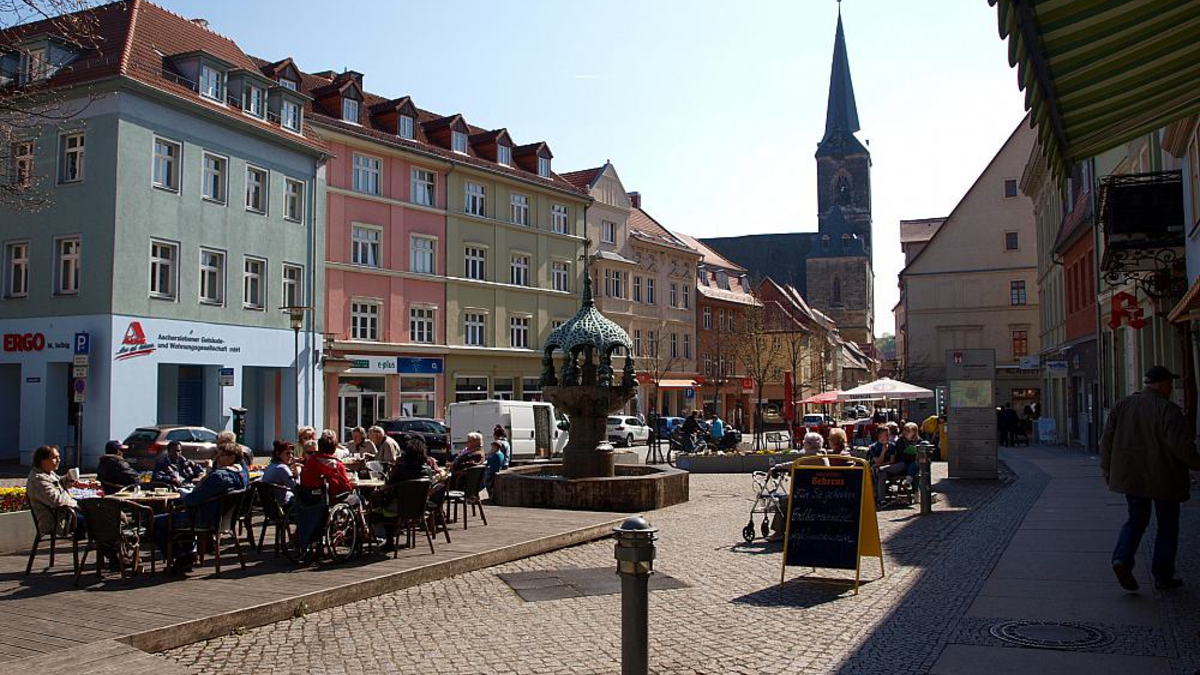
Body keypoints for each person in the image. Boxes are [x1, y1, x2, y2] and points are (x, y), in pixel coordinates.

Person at [1101, 365, 1200, 592]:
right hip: (1164, 477)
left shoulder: (1122, 405)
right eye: (1169, 384)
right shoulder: (1168, 409)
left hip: (1130, 476)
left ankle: (1121, 559)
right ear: (1161, 385)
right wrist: (1196, 462)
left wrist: (1106, 468)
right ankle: (1163, 576)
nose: (1170, 388)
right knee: (1167, 526)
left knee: (1136, 519)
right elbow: (1180, 446)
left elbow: (1106, 440)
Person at [154, 441, 248, 574]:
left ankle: (181, 557)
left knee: (153, 522)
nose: (218, 458)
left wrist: (188, 492)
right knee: (177, 517)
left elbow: (192, 500)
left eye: (221, 455)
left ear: (232, 457)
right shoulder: (242, 475)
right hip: (223, 520)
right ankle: (188, 554)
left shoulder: (219, 476)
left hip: (203, 519)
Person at [26, 445, 82, 540]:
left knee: (97, 516)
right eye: (55, 458)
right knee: (94, 520)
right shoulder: (38, 479)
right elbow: (57, 500)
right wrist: (78, 504)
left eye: (59, 457)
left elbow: (57, 484)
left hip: (63, 515)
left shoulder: (48, 473)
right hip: (56, 521)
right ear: (43, 460)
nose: (59, 460)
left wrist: (67, 479)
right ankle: (102, 546)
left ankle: (101, 545)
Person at [300, 435, 355, 500]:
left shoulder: (309, 462)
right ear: (334, 449)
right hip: (330, 499)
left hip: (308, 498)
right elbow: (347, 488)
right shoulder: (337, 465)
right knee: (358, 498)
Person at [262, 440, 299, 505]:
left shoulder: (270, 466)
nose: (291, 456)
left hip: (271, 503)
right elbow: (296, 488)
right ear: (278, 454)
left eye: (292, 453)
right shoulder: (282, 468)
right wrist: (298, 473)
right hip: (284, 504)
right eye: (288, 453)